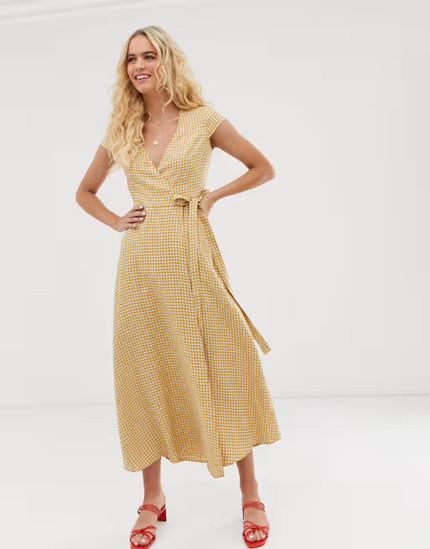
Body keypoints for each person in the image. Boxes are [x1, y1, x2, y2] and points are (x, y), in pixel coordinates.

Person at [75, 25, 281, 548]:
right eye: (131, 59)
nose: (139, 66)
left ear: (168, 62)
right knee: (145, 373)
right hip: (141, 270)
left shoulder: (203, 119)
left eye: (149, 56)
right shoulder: (122, 128)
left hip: (193, 257)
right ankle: (152, 498)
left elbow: (262, 167)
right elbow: (85, 192)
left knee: (226, 363)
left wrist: (213, 196)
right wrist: (114, 220)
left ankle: (251, 492)